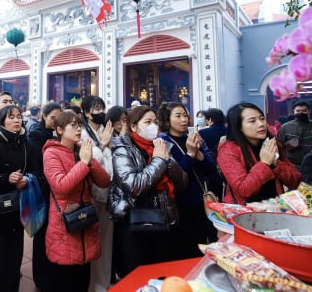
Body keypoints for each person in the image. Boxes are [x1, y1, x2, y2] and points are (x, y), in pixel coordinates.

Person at [109, 105, 188, 277]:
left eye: (155, 122)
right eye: (148, 122)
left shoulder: (160, 145)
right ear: (134, 126)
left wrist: (167, 160)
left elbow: (182, 181)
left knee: (161, 272)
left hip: (164, 217)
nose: (153, 126)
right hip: (135, 221)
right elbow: (134, 186)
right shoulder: (122, 149)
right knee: (138, 273)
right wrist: (159, 160)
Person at [43, 111, 111, 292]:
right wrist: (83, 163)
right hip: (64, 222)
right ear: (59, 130)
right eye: (72, 125)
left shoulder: (81, 151)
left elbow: (104, 182)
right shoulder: (51, 153)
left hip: (85, 221)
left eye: (79, 125)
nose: (78, 129)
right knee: (65, 280)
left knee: (83, 279)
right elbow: (61, 186)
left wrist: (90, 162)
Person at [0, 105, 43, 292]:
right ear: (2, 121)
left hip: (18, 209)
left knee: (15, 257)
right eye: (11, 117)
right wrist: (6, 178)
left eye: (18, 116)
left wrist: (27, 179)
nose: (16, 120)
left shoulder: (27, 144)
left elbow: (37, 172)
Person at [158, 101, 220, 260]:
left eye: (185, 115)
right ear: (167, 119)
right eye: (178, 116)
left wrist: (199, 154)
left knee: (202, 244)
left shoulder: (194, 137)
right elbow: (177, 175)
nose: (183, 119)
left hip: (200, 199)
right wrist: (190, 154)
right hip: (178, 203)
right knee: (183, 248)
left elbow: (211, 168)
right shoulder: (163, 142)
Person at [218, 102, 301, 205]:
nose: (261, 124)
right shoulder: (228, 150)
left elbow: (296, 181)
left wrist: (276, 164)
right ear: (239, 126)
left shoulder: (271, 144)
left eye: (262, 118)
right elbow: (243, 190)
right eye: (252, 121)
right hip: (245, 214)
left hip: (275, 210)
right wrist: (264, 164)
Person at [79, 96, 114, 292]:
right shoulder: (83, 133)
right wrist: (102, 145)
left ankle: (103, 283)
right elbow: (92, 160)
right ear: (86, 112)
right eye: (96, 108)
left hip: (109, 191)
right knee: (93, 240)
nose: (100, 111)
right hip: (92, 192)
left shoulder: (103, 130)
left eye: (102, 107)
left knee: (106, 240)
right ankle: (92, 286)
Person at [27, 102, 62, 292]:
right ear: (44, 116)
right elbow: (39, 163)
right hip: (43, 191)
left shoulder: (60, 134)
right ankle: (41, 278)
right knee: (42, 235)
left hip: (58, 192)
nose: (56, 121)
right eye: (52, 117)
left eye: (59, 118)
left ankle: (55, 273)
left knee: (56, 234)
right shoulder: (36, 135)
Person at [276, 101, 312, 168]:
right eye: (298, 111)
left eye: (304, 110)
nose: (301, 113)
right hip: (292, 165)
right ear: (294, 111)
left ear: (309, 111)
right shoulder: (285, 127)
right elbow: (279, 146)